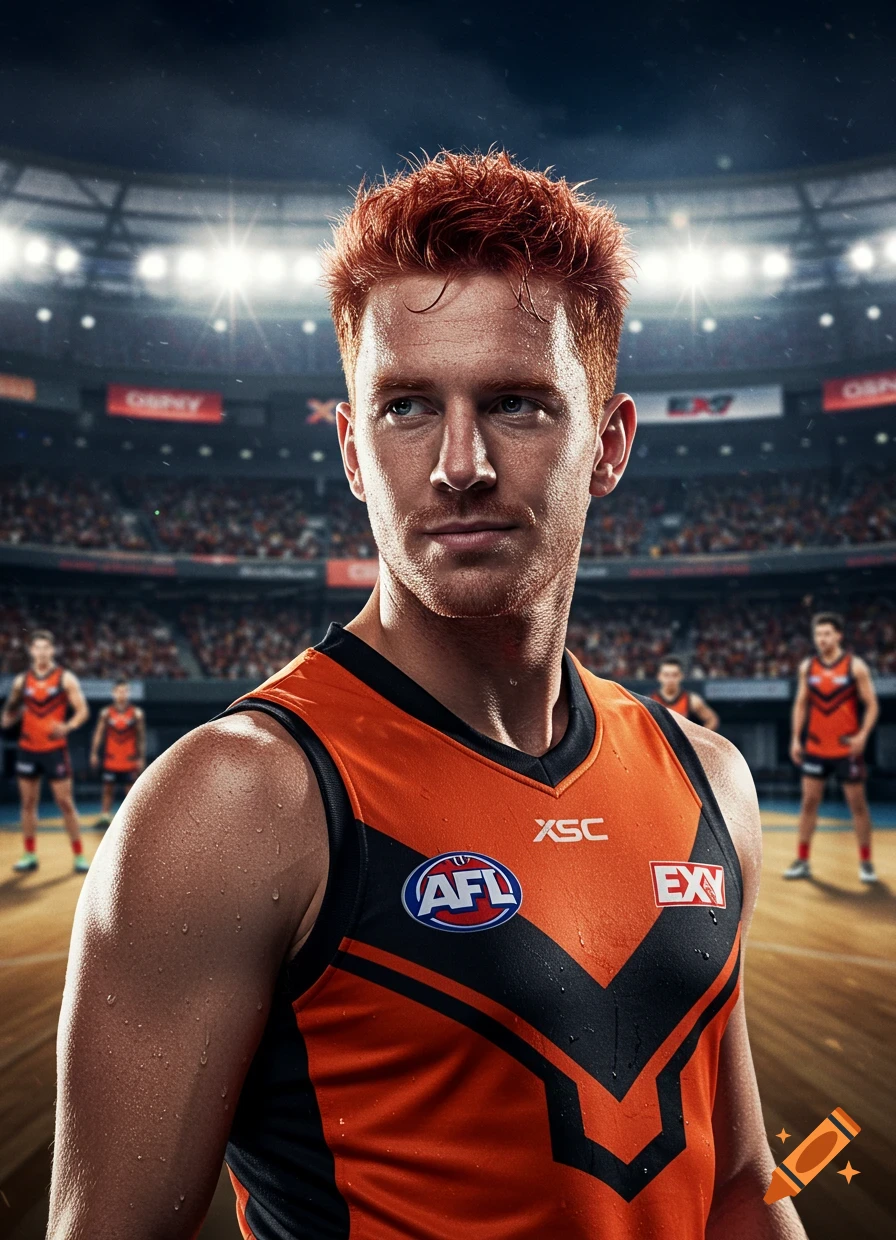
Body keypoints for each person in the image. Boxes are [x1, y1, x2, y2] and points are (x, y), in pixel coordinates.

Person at [50, 153, 804, 1240]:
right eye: (405, 406)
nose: (458, 463)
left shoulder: (708, 781)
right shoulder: (238, 803)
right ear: (353, 450)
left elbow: (739, 1186)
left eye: (515, 403)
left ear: (608, 446)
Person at [785, 611, 879, 884]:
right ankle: (802, 860)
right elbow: (801, 704)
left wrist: (862, 736)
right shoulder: (808, 667)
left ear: (838, 635)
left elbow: (872, 705)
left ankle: (866, 863)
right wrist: (795, 738)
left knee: (857, 805)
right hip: (815, 747)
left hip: (846, 749)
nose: (822, 639)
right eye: (818, 634)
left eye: (827, 633)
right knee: (808, 803)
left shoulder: (855, 667)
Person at [1, 629, 90, 873]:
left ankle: (79, 856)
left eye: (45, 647)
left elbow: (82, 711)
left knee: (65, 803)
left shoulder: (65, 678)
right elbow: (8, 717)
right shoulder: (21, 681)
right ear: (31, 651)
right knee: (28, 803)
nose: (41, 652)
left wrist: (68, 726)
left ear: (52, 650)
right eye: (37, 647)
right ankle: (29, 854)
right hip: (28, 749)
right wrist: (10, 716)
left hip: (54, 750)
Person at [89, 677, 146, 830]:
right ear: (113, 693)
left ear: (128, 693)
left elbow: (140, 737)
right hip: (111, 758)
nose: (122, 694)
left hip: (129, 759)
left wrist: (141, 757)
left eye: (125, 691)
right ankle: (105, 817)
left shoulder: (136, 714)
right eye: (119, 691)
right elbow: (99, 733)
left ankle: (133, 819)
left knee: (130, 791)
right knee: (108, 788)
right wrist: (94, 752)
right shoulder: (106, 713)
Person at [651, 655, 719, 730]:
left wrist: (699, 736)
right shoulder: (650, 701)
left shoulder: (692, 700)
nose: (670, 679)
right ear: (659, 676)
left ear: (681, 676)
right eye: (666, 675)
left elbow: (712, 720)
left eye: (675, 675)